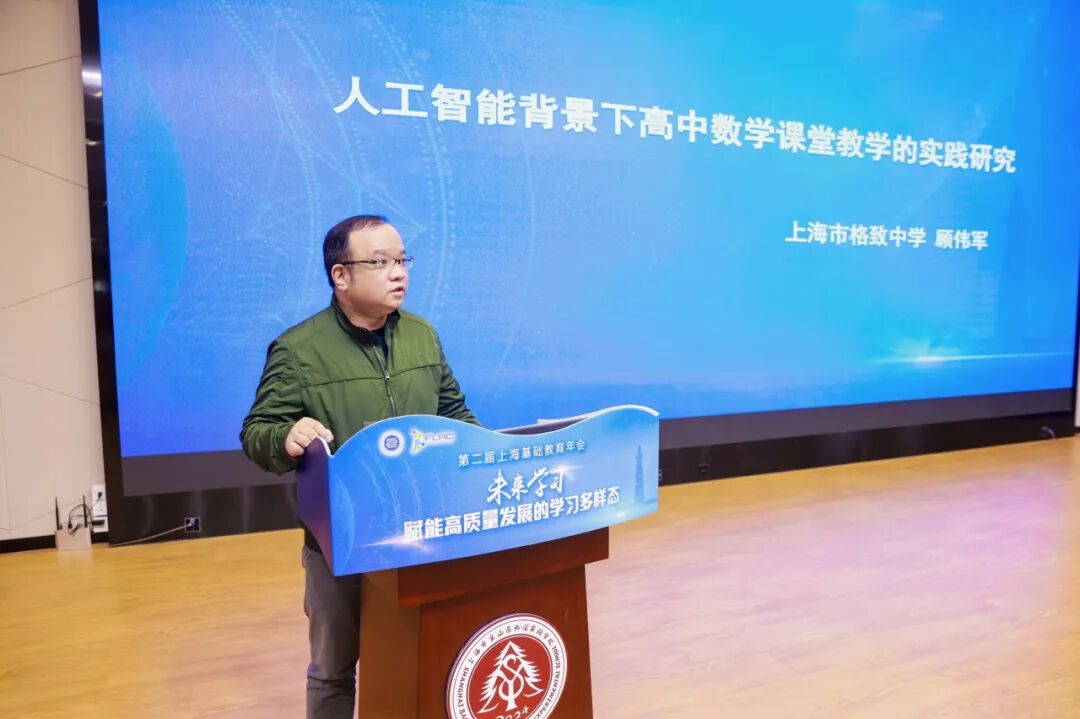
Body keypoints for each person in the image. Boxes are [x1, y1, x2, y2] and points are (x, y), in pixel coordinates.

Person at [239, 214, 478, 718]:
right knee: (333, 671)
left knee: (424, 654)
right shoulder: (298, 350)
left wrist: (480, 457)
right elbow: (257, 433)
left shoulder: (423, 336)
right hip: (340, 542)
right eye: (381, 261)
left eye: (402, 260)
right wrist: (286, 436)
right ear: (340, 275)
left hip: (421, 535)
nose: (399, 272)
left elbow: (455, 415)